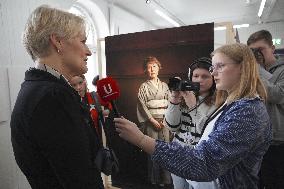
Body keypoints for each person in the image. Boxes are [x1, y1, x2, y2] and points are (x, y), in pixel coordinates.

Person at [114, 43, 272, 189]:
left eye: (220, 66)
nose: (214, 73)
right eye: (212, 68)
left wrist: (141, 139)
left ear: (243, 68)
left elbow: (204, 163)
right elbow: (173, 125)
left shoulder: (247, 111)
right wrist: (175, 100)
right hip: (187, 161)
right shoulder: (232, 103)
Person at [10, 5, 104, 188]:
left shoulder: (36, 88)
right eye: (83, 41)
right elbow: (79, 180)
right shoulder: (53, 97)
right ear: (58, 41)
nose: (88, 51)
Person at [165, 57, 216, 189]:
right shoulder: (185, 95)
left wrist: (193, 105)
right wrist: (175, 99)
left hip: (200, 158)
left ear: (214, 79)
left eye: (205, 76)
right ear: (190, 77)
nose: (199, 80)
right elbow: (172, 126)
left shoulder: (218, 102)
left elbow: (208, 131)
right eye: (196, 76)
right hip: (178, 153)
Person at [247, 30, 284, 189]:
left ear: (273, 48)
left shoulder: (282, 70)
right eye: (252, 51)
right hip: (256, 141)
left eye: (260, 49)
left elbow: (279, 95)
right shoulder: (252, 73)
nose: (257, 54)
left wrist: (257, 71)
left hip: (278, 142)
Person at [136, 56, 172, 187]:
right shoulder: (143, 87)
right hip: (151, 123)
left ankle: (166, 180)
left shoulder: (165, 86)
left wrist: (165, 119)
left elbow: (170, 103)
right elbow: (142, 106)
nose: (152, 69)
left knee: (166, 150)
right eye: (149, 67)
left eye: (154, 66)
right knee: (153, 150)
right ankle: (155, 180)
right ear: (146, 70)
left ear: (159, 68)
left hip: (165, 122)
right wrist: (152, 120)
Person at [70, 74, 112, 140]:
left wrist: (107, 110)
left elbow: (109, 103)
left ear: (85, 82)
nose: (78, 87)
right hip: (79, 139)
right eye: (74, 85)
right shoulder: (69, 100)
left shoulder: (94, 96)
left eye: (80, 83)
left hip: (96, 138)